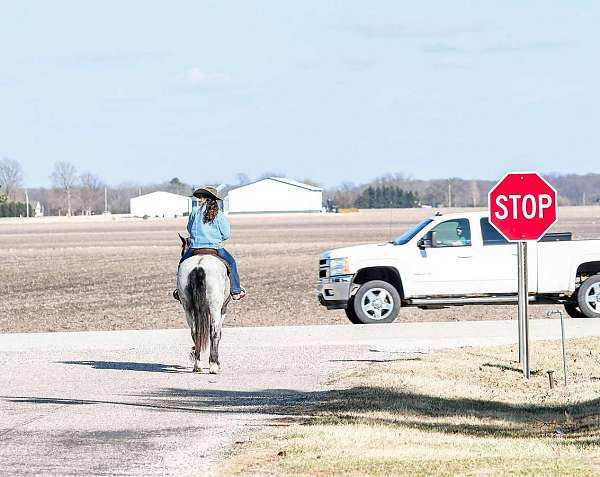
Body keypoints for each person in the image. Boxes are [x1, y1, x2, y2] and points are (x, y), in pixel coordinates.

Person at [174, 186, 246, 301]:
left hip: (195, 248)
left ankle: (179, 291)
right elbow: (226, 234)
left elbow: (189, 229)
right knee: (232, 264)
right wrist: (216, 238)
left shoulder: (194, 212)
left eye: (200, 197)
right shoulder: (219, 214)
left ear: (203, 198)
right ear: (213, 199)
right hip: (215, 248)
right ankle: (236, 290)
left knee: (181, 264)